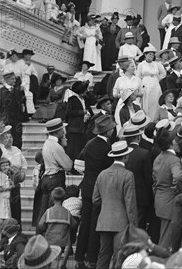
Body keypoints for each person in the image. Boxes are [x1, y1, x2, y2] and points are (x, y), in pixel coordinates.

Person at [75, 114, 115, 269]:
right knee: (95, 224)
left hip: (87, 187)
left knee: (85, 223)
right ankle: (92, 258)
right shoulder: (107, 148)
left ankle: (79, 256)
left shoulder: (89, 143)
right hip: (100, 189)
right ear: (108, 131)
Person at [92, 141, 138, 269]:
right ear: (125, 156)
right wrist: (134, 225)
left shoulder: (102, 174)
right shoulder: (128, 175)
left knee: (104, 255)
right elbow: (130, 204)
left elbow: (95, 199)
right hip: (122, 223)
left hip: (104, 221)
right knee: (120, 256)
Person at [152, 128, 182, 250]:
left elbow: (155, 180)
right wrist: (178, 190)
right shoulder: (174, 160)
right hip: (170, 201)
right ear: (171, 143)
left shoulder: (158, 158)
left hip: (159, 199)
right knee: (166, 239)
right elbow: (179, 177)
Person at [121, 122, 153, 232]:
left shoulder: (121, 154)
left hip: (124, 195)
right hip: (141, 196)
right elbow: (148, 179)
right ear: (138, 137)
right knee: (139, 228)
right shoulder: (144, 153)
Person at [39, 119, 73, 219]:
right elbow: (68, 166)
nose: (64, 131)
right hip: (55, 178)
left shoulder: (46, 143)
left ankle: (40, 231)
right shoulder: (56, 146)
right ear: (58, 131)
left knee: (44, 210)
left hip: (46, 178)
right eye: (62, 129)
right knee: (53, 210)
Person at [37, 187, 78, 268]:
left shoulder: (48, 211)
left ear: (52, 198)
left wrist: (45, 228)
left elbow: (40, 224)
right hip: (63, 241)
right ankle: (61, 264)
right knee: (57, 258)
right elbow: (74, 225)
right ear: (64, 198)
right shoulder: (67, 212)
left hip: (50, 240)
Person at [0, 125, 26, 223]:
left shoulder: (16, 150)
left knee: (16, 210)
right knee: (5, 211)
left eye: (10, 137)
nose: (9, 139)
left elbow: (24, 164)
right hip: (4, 184)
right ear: (1, 139)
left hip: (16, 183)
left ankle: (16, 231)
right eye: (6, 137)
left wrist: (22, 173)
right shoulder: (1, 150)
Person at [136, 46, 166, 121]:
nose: (151, 56)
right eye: (149, 54)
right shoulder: (141, 64)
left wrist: (156, 79)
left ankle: (155, 118)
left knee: (156, 101)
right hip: (145, 84)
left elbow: (163, 73)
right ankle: (147, 119)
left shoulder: (157, 64)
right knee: (147, 102)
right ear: (145, 55)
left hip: (155, 84)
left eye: (152, 54)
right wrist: (139, 86)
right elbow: (138, 76)